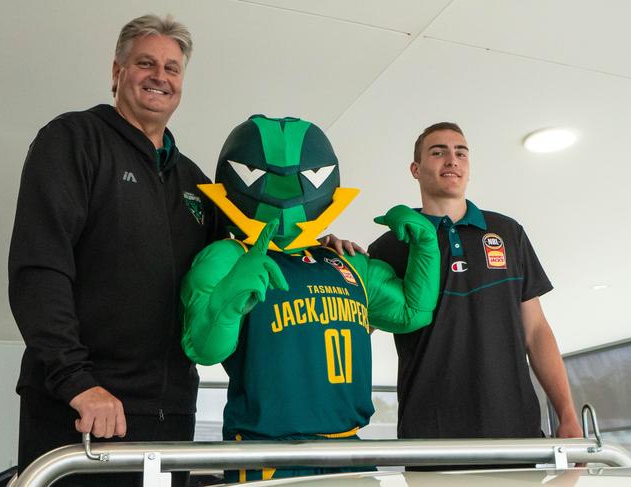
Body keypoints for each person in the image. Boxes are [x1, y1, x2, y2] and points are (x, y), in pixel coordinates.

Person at [8, 14, 226, 486]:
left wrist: (320, 243)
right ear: (116, 72)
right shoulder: (73, 141)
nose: (159, 76)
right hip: (84, 411)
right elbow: (39, 269)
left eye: (172, 68)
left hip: (170, 417)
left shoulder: (195, 181)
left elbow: (237, 264)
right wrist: (77, 382)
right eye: (145, 63)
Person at [180, 114, 441, 482]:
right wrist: (228, 297)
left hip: (349, 449)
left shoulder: (343, 260)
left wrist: (425, 244)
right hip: (268, 452)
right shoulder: (227, 256)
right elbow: (202, 349)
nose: (285, 191)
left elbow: (412, 312)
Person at [368, 122, 583, 453]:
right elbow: (355, 326)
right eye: (438, 152)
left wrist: (566, 413)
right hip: (430, 440)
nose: (452, 160)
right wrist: (335, 267)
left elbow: (536, 331)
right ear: (416, 168)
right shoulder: (392, 245)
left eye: (461, 152)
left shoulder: (508, 233)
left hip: (516, 437)